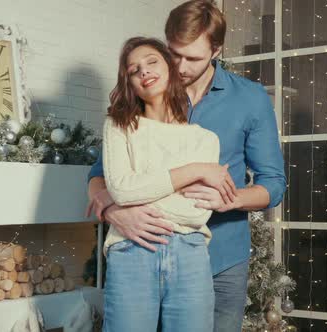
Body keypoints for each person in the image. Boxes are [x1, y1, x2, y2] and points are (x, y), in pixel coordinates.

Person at [87, 1, 286, 331]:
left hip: (221, 255)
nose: (179, 66)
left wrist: (231, 198)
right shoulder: (148, 91)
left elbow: (274, 184)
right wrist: (114, 212)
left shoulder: (249, 98)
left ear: (216, 50)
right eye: (174, 53)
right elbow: (99, 174)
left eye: (192, 58)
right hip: (144, 249)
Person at [96, 36, 235, 332]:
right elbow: (122, 189)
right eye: (134, 70)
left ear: (170, 68)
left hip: (190, 255)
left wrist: (135, 200)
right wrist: (195, 170)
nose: (143, 71)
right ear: (130, 83)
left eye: (151, 62)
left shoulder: (205, 139)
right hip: (131, 250)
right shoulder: (119, 126)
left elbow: (196, 211)